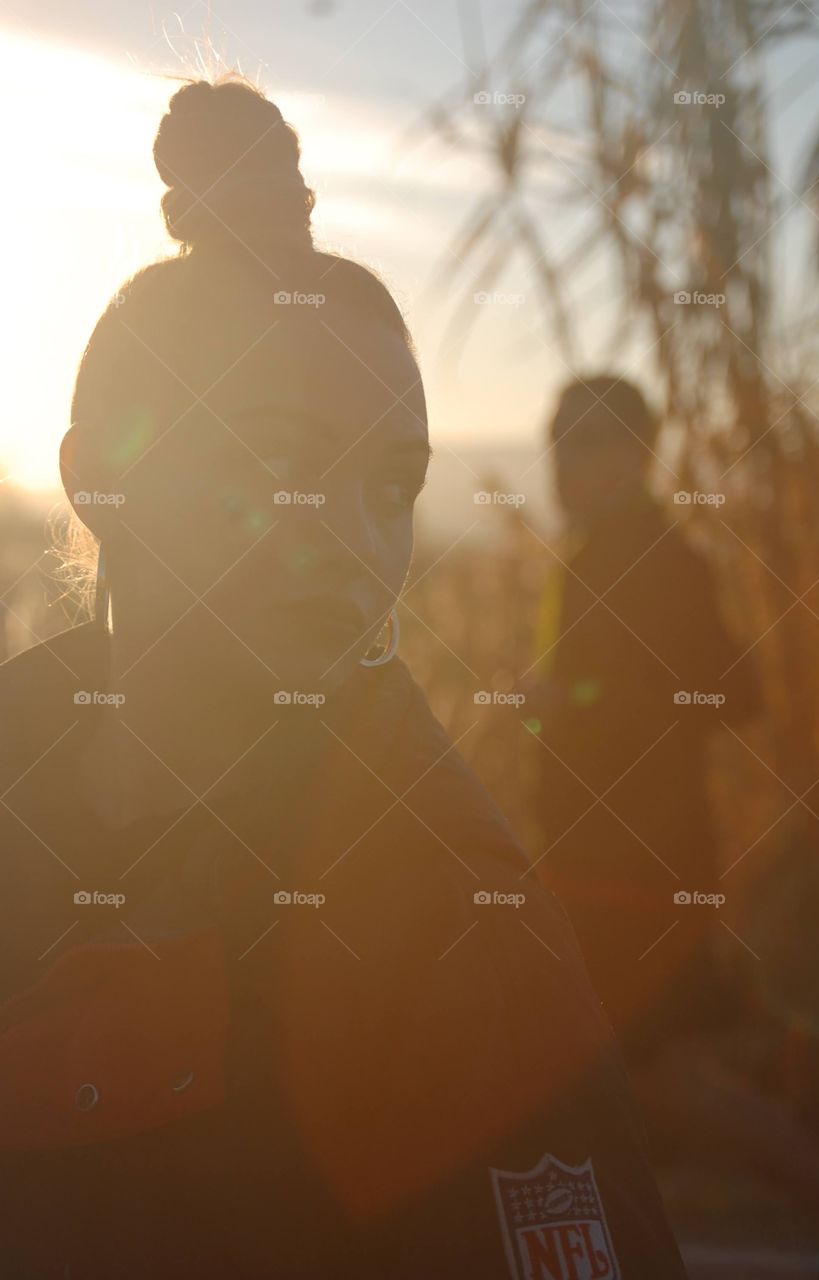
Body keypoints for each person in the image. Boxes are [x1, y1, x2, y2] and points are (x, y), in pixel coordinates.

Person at [0, 76, 687, 1278]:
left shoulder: (444, 922)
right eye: (280, 459)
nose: (358, 544)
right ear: (100, 477)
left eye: (393, 486)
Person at [529, 375, 819, 1262]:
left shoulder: (663, 561)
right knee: (630, 1065)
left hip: (639, 861)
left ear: (632, 453)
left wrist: (575, 702)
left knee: (649, 1067)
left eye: (582, 443)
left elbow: (730, 691)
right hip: (600, 856)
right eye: (557, 441)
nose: (562, 461)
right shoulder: (596, 551)